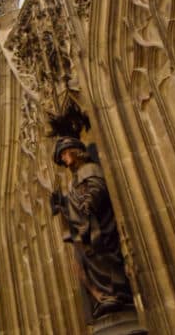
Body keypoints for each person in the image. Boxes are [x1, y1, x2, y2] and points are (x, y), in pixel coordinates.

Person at [51, 136, 133, 318]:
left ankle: (114, 293)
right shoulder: (73, 181)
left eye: (65, 153)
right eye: (62, 156)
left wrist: (90, 202)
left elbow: (98, 187)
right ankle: (102, 297)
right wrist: (61, 206)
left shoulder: (89, 169)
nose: (64, 159)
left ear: (76, 151)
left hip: (96, 228)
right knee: (81, 269)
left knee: (103, 257)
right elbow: (74, 206)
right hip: (83, 231)